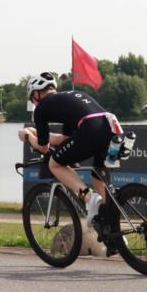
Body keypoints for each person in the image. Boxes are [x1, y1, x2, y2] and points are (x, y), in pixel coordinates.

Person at [17, 72, 120, 226]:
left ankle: (89, 198)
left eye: (32, 98)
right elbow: (64, 139)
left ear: (36, 94)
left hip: (90, 129)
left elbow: (44, 148)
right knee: (99, 180)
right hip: (112, 129)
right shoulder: (70, 98)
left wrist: (27, 136)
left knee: (54, 164)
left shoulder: (41, 109)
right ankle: (114, 233)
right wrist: (35, 132)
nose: (33, 102)